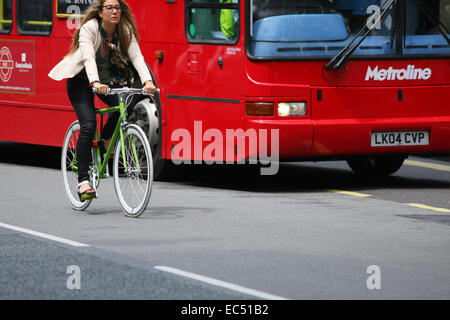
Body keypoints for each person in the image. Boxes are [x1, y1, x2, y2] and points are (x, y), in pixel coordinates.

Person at [49, 0, 156, 201]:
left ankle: (106, 140)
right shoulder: (88, 29)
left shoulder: (125, 30)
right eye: (109, 8)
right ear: (100, 12)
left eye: (117, 8)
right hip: (82, 81)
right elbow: (89, 58)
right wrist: (96, 82)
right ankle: (83, 182)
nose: (114, 11)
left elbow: (137, 57)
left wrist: (148, 81)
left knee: (125, 104)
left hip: (107, 81)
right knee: (88, 126)